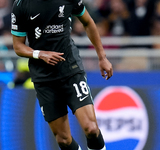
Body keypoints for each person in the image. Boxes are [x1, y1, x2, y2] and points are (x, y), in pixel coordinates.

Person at [11, 0, 113, 150]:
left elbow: (88, 22)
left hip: (70, 70)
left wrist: (102, 57)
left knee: (91, 128)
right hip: (43, 77)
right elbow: (18, 46)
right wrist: (40, 54)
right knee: (63, 140)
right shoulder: (21, 5)